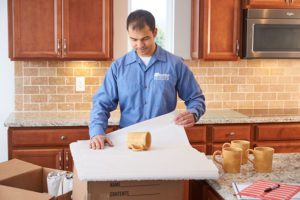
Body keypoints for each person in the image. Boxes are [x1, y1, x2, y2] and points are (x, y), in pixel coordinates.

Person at [89, 9, 205, 150]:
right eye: (134, 39)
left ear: (154, 32)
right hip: (129, 141)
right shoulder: (118, 67)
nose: (139, 45)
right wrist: (97, 132)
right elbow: (101, 103)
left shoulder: (175, 64)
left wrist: (194, 113)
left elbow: (196, 98)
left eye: (145, 39)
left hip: (165, 142)